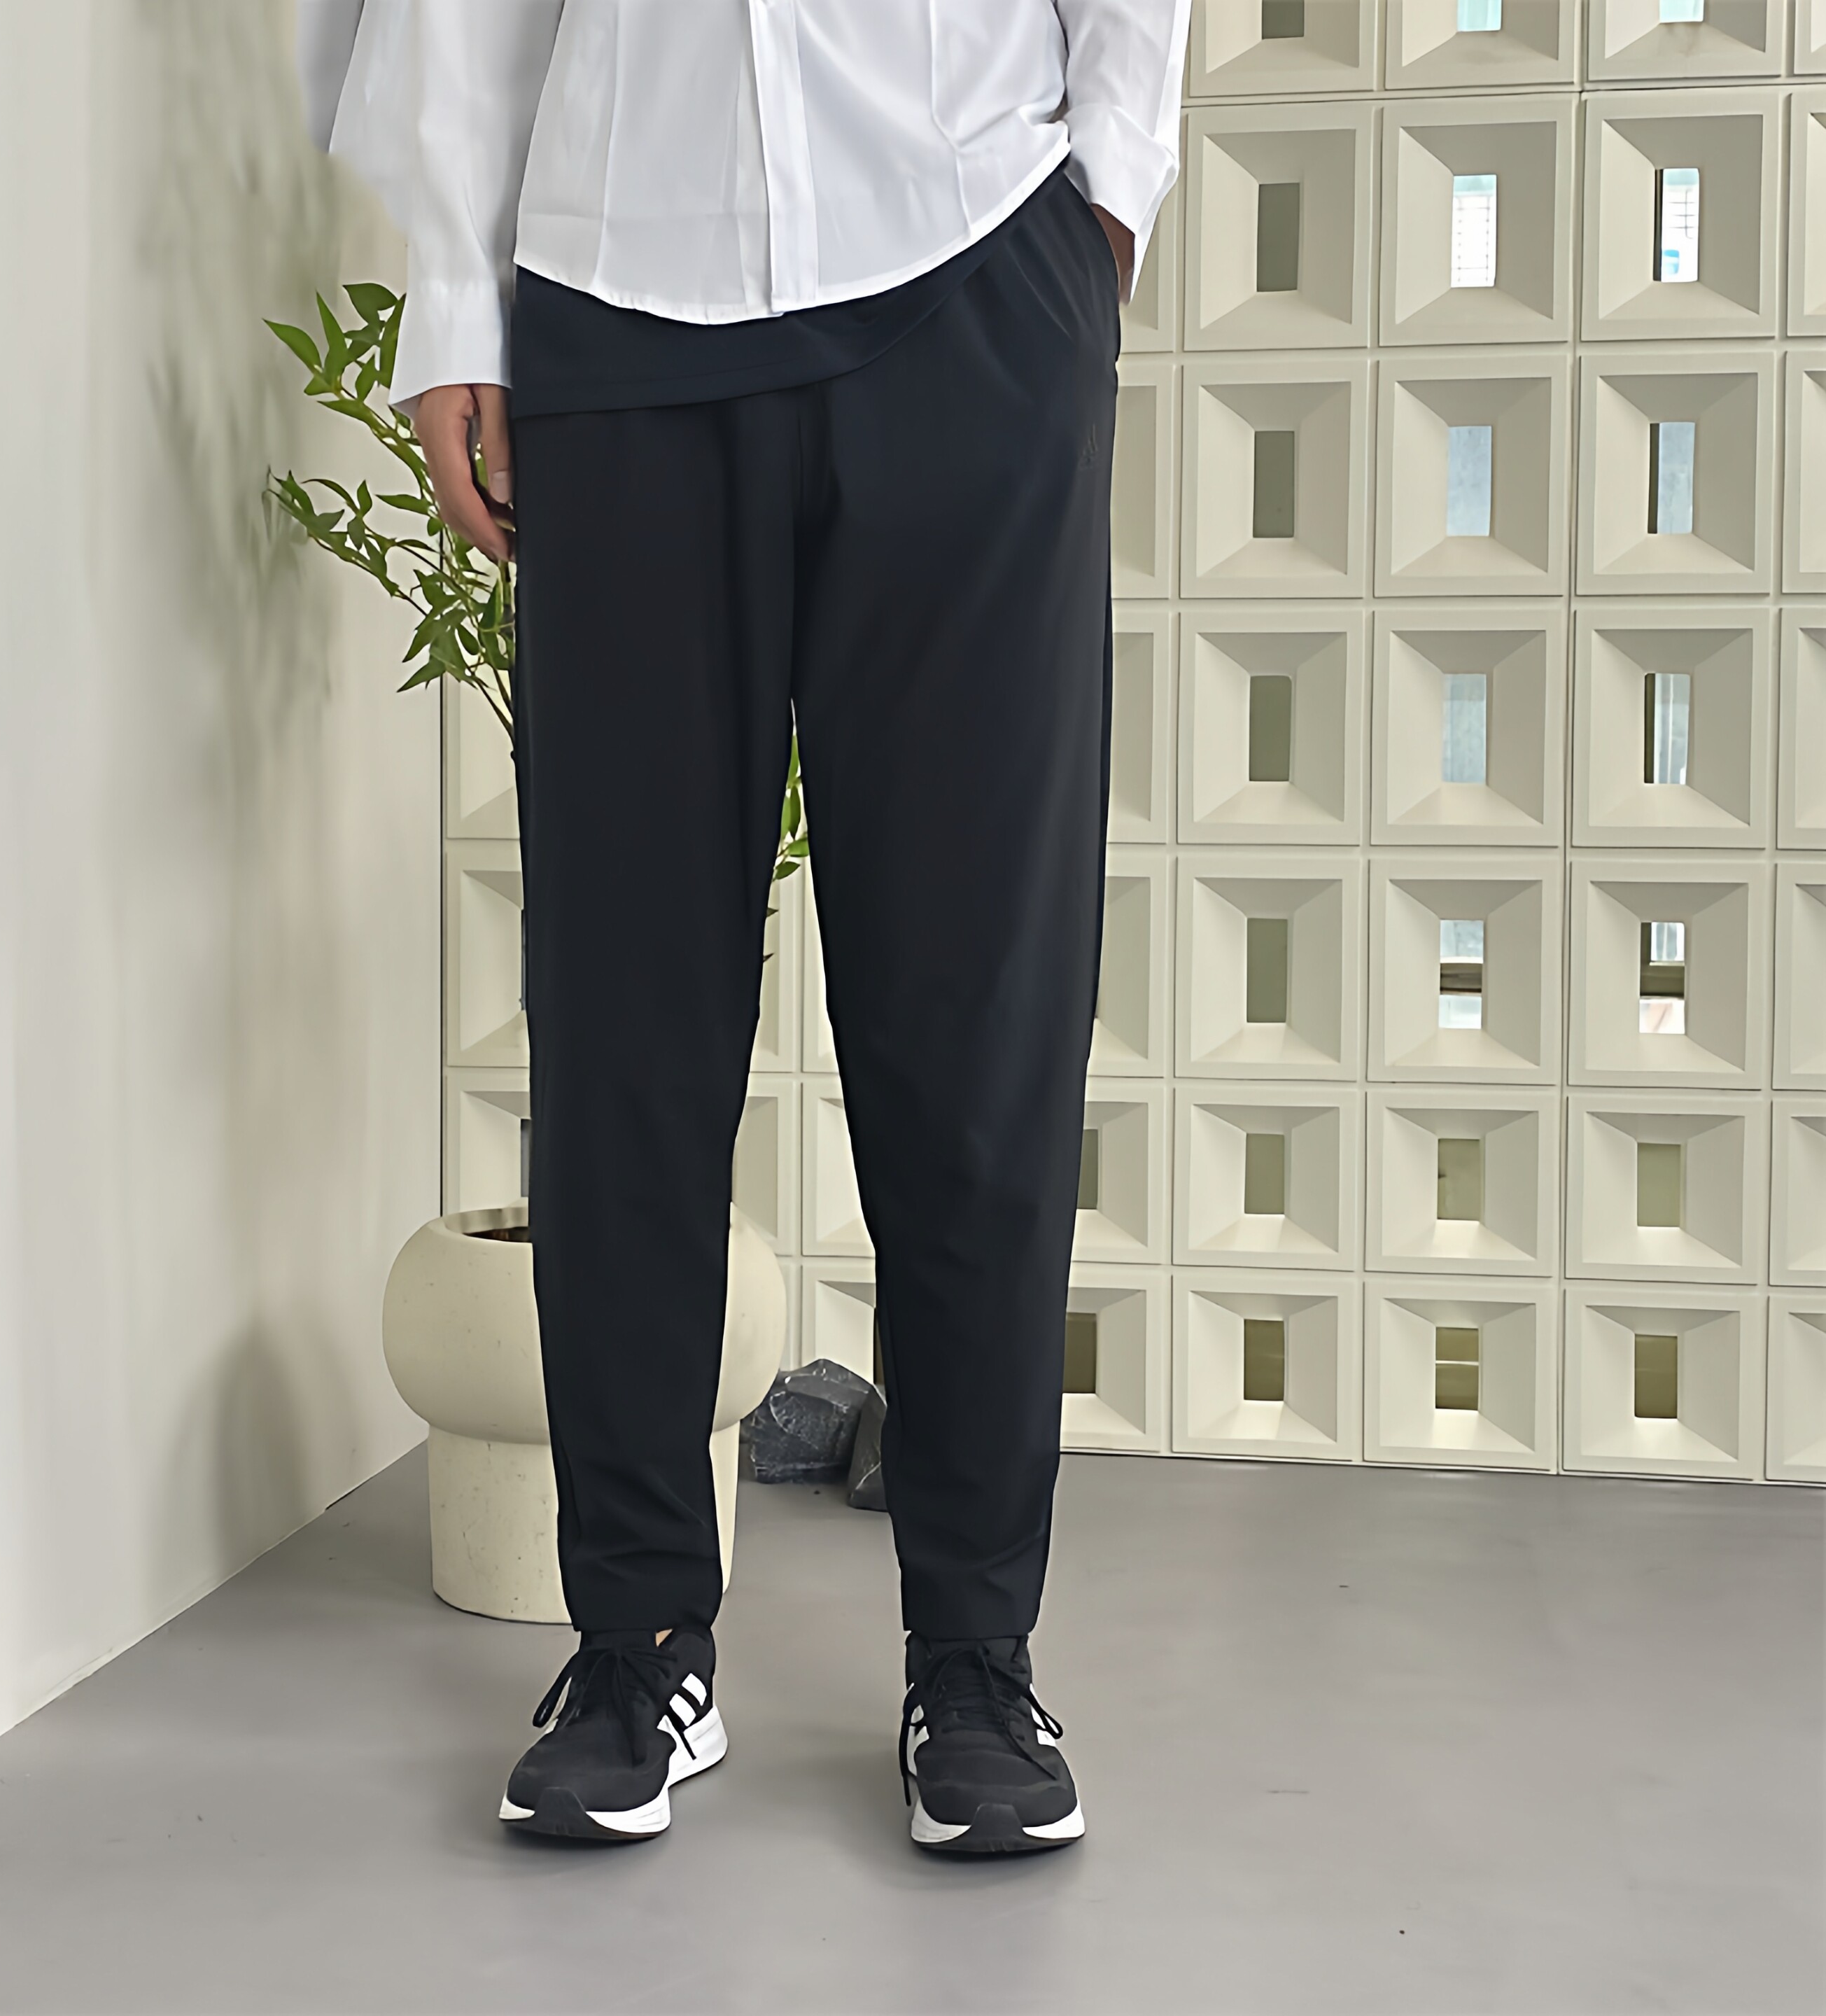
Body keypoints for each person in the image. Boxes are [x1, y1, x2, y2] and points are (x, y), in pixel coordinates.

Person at [302, 0, 1187, 1855]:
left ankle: (975, 1655)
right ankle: (634, 1644)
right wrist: (454, 297)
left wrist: (1109, 174)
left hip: (970, 249)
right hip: (621, 284)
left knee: (976, 1002)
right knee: (625, 1006)